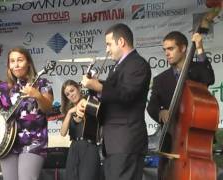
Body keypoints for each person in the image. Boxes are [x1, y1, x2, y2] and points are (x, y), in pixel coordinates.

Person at [76, 23, 151, 180]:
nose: (107, 49)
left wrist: (99, 86)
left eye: (109, 44)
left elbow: (126, 94)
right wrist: (93, 91)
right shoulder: (118, 66)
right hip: (113, 143)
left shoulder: (137, 63)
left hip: (126, 141)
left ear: (121, 42)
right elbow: (111, 95)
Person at [146, 31, 214, 179]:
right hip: (170, 142)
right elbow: (151, 106)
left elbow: (209, 78)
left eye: (171, 49)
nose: (167, 53)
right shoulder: (160, 80)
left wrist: (200, 48)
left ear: (183, 48)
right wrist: (160, 112)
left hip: (195, 145)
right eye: (165, 50)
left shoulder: (197, 71)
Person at [0, 47, 53, 180]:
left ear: (28, 63)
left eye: (20, 60)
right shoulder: (4, 88)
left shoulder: (42, 84)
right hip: (7, 144)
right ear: (9, 65)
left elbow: (48, 109)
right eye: (12, 61)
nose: (16, 64)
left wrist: (37, 95)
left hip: (33, 142)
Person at [60, 80, 100, 180]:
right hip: (74, 148)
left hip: (89, 146)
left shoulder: (90, 102)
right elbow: (63, 132)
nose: (71, 95)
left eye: (72, 90)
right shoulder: (70, 110)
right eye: (67, 94)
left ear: (79, 88)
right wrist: (69, 113)